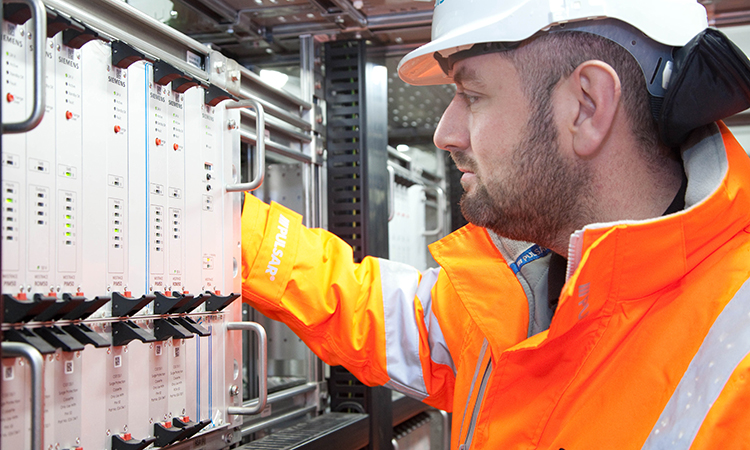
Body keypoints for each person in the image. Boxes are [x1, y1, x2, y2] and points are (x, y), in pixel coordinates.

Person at [242, 0, 750, 447]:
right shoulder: (527, 279)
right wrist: (234, 228)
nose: (445, 133)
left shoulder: (735, 353)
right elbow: (378, 312)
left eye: (472, 95)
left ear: (587, 106)